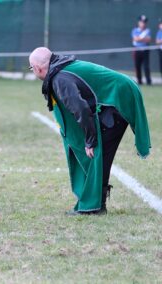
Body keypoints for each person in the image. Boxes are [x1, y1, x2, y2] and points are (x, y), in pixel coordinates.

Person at [28, 47, 151, 215]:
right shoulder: (61, 69)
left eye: (31, 69)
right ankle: (96, 204)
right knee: (99, 155)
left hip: (118, 99)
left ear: (37, 68)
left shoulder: (59, 79)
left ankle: (94, 207)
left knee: (97, 154)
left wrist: (90, 141)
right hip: (117, 95)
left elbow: (80, 109)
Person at [131, 15, 152, 85]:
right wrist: (142, 39)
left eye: (144, 22)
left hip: (145, 51)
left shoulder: (147, 31)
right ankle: (139, 81)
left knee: (146, 66)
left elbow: (148, 40)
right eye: (141, 22)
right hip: (137, 51)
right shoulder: (135, 30)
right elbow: (135, 39)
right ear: (139, 22)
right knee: (137, 66)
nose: (143, 24)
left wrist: (139, 39)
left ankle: (148, 81)